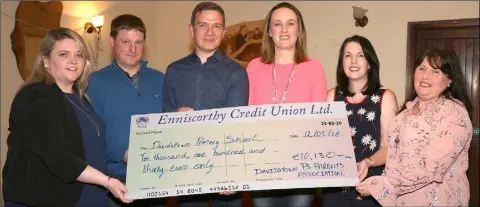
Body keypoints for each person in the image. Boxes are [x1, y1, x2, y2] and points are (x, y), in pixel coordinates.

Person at [2, 27, 130, 207]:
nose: (73, 61)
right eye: (64, 54)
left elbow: (93, 146)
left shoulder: (81, 98)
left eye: (79, 55)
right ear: (45, 61)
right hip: (44, 198)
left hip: (91, 196)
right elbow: (58, 157)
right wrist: (107, 181)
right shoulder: (34, 96)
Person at [356, 48, 473, 206]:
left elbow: (430, 167)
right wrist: (368, 162)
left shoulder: (453, 113)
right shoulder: (406, 111)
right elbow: (393, 151)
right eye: (422, 68)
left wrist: (380, 186)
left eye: (435, 71)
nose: (425, 76)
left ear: (449, 80)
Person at [162, 2, 248, 207]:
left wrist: (232, 171)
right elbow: (164, 119)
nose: (210, 32)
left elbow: (236, 127)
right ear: (191, 29)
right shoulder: (173, 70)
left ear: (224, 31)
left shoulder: (237, 73)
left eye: (216, 26)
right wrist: (175, 117)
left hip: (225, 170)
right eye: (203, 25)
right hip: (187, 166)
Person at [245, 2, 328, 206]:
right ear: (269, 32)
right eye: (277, 24)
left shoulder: (314, 68)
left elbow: (319, 122)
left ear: (299, 30)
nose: (284, 30)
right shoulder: (254, 67)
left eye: (290, 24)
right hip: (263, 165)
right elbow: (246, 118)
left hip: (301, 167)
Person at [86, 14, 165, 207]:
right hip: (113, 179)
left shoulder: (160, 79)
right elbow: (89, 134)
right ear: (112, 41)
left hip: (155, 177)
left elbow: (169, 124)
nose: (132, 49)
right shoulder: (93, 82)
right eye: (126, 42)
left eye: (138, 42)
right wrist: (121, 153)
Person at [322, 35, 399, 206]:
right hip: (335, 187)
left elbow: (389, 148)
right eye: (348, 55)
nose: (354, 61)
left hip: (370, 186)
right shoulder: (331, 96)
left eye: (361, 55)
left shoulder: (385, 97)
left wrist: (368, 162)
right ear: (342, 64)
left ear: (370, 63)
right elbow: (324, 142)